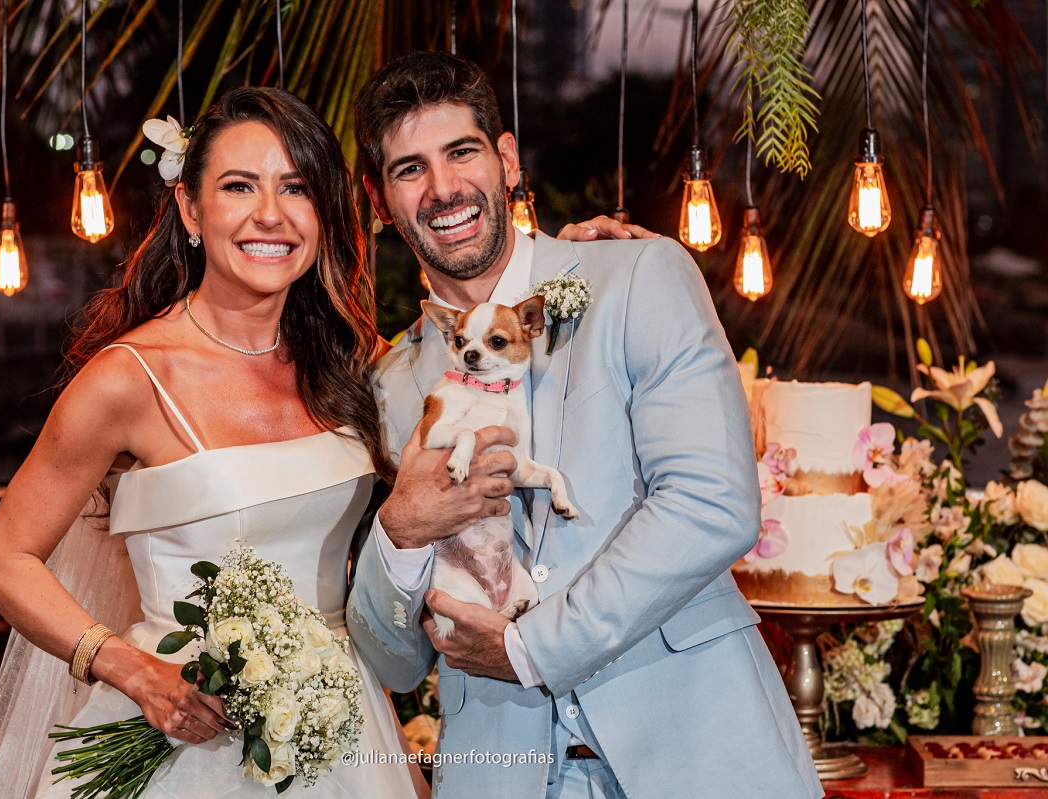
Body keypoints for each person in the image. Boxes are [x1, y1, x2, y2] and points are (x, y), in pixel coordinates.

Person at [345, 52, 823, 799]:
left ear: (506, 161)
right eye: (409, 169)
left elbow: (712, 502)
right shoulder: (390, 386)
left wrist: (533, 647)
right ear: (379, 198)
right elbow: (394, 660)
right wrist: (400, 533)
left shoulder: (636, 275)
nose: (442, 189)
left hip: (701, 750)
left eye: (462, 152)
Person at [0, 86, 428, 799]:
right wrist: (130, 667)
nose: (269, 214)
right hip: (182, 738)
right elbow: (3, 559)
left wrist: (581, 264)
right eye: (239, 186)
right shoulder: (129, 377)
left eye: (295, 187)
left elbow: (484, 359)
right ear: (189, 208)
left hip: (344, 731)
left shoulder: (350, 361)